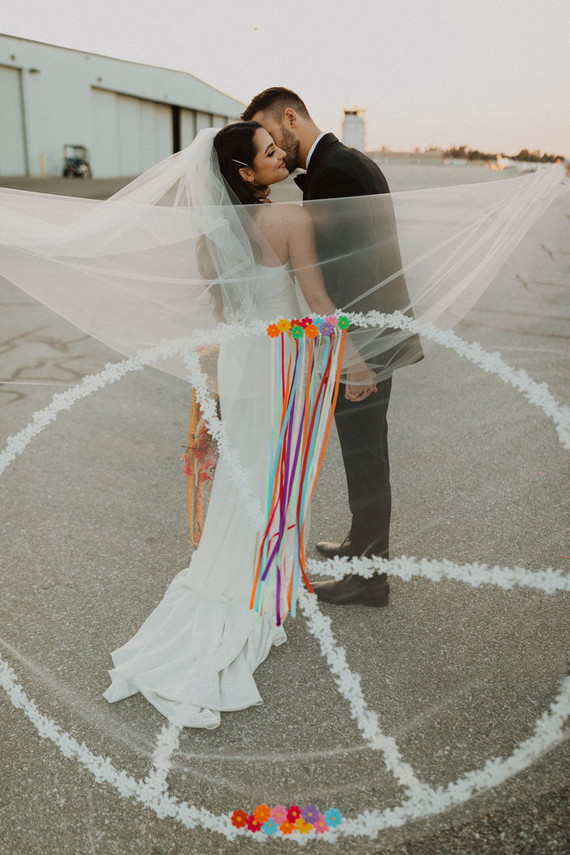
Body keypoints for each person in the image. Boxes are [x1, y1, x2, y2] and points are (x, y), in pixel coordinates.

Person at [102, 122, 373, 727]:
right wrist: (355, 361)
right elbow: (317, 304)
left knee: (247, 472)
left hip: (246, 359)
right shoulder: (289, 222)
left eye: (279, 149)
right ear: (246, 175)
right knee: (277, 471)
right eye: (270, 154)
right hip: (282, 363)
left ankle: (252, 580)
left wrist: (218, 389)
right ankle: (258, 596)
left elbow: (226, 311)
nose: (283, 158)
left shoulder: (214, 235)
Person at [242, 88, 424, 607]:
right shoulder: (347, 162)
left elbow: (352, 276)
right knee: (363, 452)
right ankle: (358, 547)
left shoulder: (335, 175)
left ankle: (370, 580)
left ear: (291, 118)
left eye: (270, 134)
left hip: (361, 343)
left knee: (366, 457)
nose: (271, 147)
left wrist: (355, 357)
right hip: (371, 333)